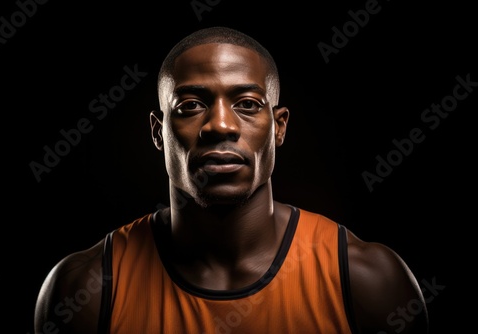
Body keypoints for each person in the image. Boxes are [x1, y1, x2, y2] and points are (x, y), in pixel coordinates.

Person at [34, 26, 429, 334]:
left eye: (247, 104)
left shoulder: (367, 281)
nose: (220, 125)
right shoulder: (86, 289)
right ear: (158, 133)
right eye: (190, 105)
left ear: (278, 127)